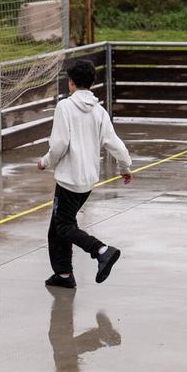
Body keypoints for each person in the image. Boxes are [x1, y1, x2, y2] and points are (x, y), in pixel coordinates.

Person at [38, 59, 132, 288]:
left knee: (63, 227)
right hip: (87, 181)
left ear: (70, 82)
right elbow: (114, 143)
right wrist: (125, 167)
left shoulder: (65, 107)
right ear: (91, 83)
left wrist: (45, 162)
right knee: (56, 229)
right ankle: (63, 275)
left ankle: (101, 250)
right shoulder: (99, 111)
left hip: (69, 180)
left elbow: (59, 144)